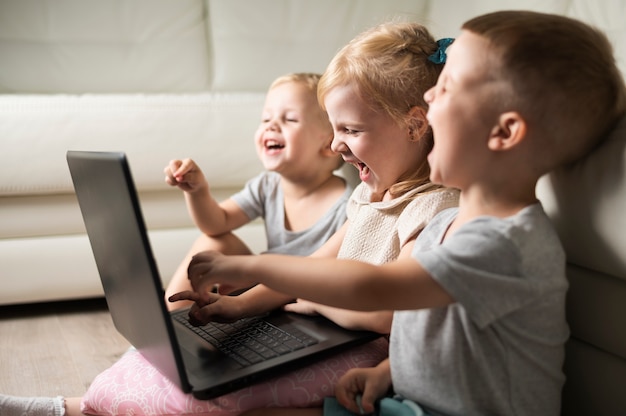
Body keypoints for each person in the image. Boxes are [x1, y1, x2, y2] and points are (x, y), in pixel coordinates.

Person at [173, 10, 626, 416]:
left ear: (504, 132)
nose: (428, 103)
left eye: (445, 88)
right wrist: (390, 371)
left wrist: (248, 266)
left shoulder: (505, 244)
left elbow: (374, 289)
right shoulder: (451, 223)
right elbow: (436, 329)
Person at [0, 21, 460, 416]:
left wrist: (311, 299)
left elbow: (387, 313)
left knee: (209, 397)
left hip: (370, 353)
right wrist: (240, 306)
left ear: (415, 125)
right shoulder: (369, 194)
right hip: (324, 332)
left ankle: (87, 409)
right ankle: (78, 404)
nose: (338, 146)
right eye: (335, 129)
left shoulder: (434, 207)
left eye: (350, 130)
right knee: (196, 354)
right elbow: (310, 271)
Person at [163, 72, 352, 311]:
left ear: (329, 144)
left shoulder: (348, 206)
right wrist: (197, 191)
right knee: (213, 240)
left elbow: (336, 276)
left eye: (290, 119)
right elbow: (216, 223)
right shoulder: (267, 186)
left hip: (305, 298)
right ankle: (173, 321)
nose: (272, 125)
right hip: (262, 282)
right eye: (266, 119)